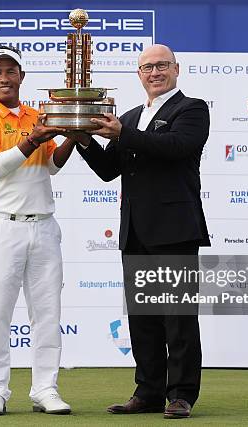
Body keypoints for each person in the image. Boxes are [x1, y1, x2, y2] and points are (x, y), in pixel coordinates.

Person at [74, 44, 210, 419]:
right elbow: (107, 169)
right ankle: (148, 391)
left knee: (178, 318)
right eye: (147, 67)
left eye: (161, 65)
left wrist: (122, 133)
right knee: (143, 318)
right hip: (134, 230)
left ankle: (181, 394)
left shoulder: (192, 108)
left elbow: (177, 146)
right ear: (138, 74)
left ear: (176, 69)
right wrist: (81, 136)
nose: (155, 72)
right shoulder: (131, 117)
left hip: (175, 228)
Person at [0, 44, 76, 416]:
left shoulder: (35, 115)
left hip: (44, 225)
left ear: (21, 77)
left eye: (10, 71)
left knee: (48, 314)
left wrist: (73, 136)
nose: (3, 78)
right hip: (2, 225)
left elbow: (52, 166)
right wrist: (35, 139)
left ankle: (45, 388)